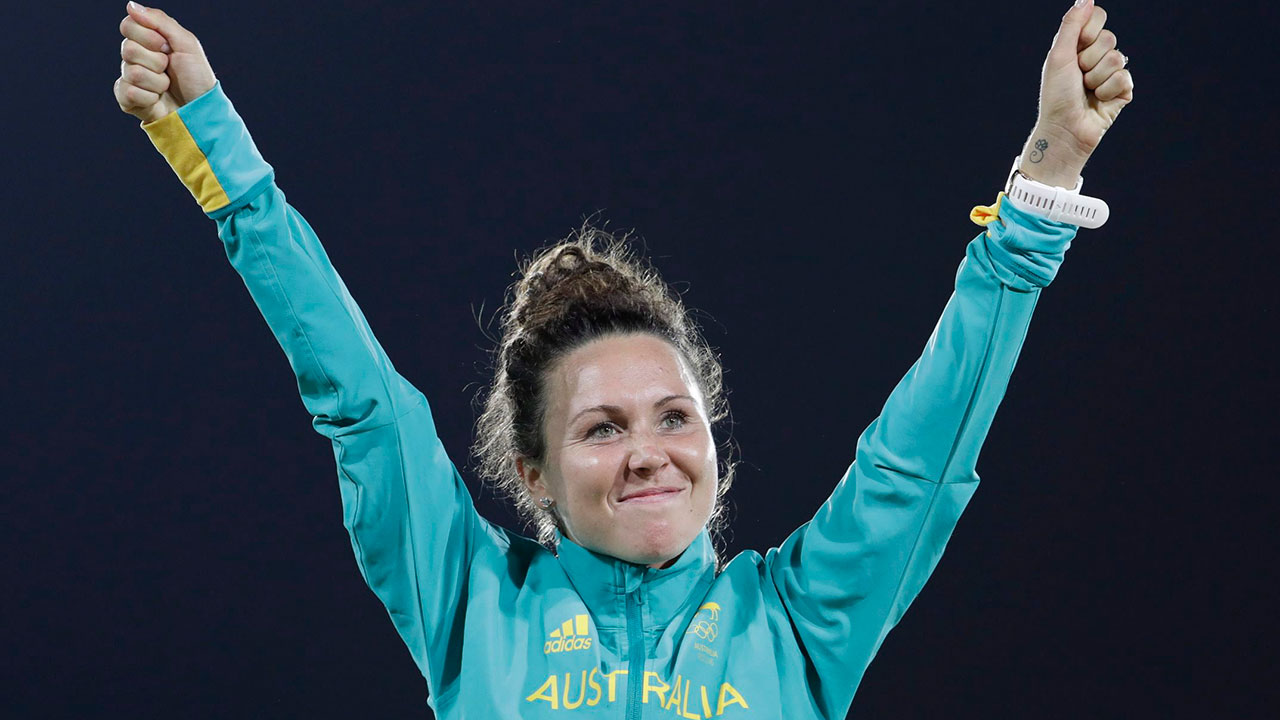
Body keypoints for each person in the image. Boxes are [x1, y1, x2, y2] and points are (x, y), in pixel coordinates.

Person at [114, 0, 1133, 716]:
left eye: (671, 416)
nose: (648, 450)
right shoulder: (472, 607)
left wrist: (1043, 182)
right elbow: (365, 408)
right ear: (533, 476)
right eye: (600, 429)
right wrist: (214, 147)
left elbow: (917, 462)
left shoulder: (795, 624)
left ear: (712, 445)